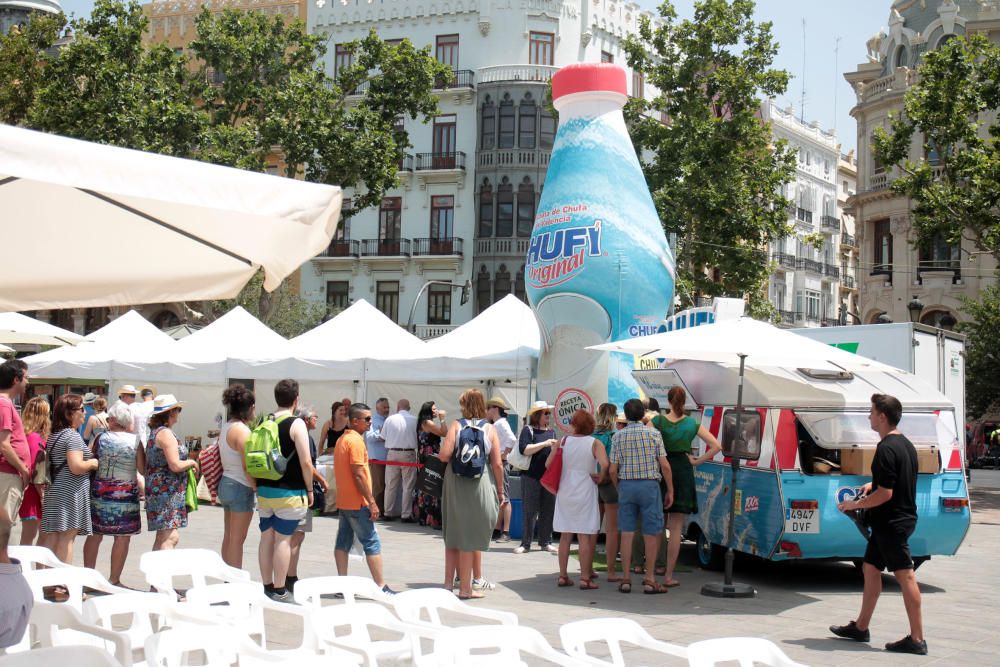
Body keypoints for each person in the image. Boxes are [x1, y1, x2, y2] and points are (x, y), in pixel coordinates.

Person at [832, 394, 927, 655]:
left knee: (906, 576)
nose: (869, 416)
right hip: (898, 519)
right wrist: (871, 486)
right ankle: (861, 627)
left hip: (892, 522)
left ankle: (917, 639)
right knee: (871, 568)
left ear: (882, 416)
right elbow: (891, 482)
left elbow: (887, 494)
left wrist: (854, 504)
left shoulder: (886, 449)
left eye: (872, 412)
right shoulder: (905, 444)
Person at [650, 386, 721, 588]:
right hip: (682, 470)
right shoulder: (692, 423)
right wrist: (697, 461)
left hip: (661, 468)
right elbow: (717, 446)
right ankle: (669, 575)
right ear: (684, 402)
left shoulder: (657, 422)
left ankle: (653, 571)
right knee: (675, 528)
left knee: (657, 524)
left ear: (669, 401)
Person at [440, 389, 504, 599]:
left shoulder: (456, 425)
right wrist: (500, 491)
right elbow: (497, 463)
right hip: (479, 480)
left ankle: (449, 584)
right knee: (469, 535)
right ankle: (466, 589)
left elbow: (444, 455)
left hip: (455, 481)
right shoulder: (490, 429)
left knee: (453, 533)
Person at [256, 379, 313, 603]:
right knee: (283, 540)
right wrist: (309, 489)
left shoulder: (263, 421)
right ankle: (280, 590)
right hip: (289, 492)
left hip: (265, 489)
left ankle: (266, 586)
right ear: (296, 399)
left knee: (266, 538)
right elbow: (306, 461)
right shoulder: (296, 424)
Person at [609, 398, 673, 594]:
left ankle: (626, 578)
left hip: (627, 485)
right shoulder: (654, 434)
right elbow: (664, 465)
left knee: (627, 532)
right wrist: (670, 489)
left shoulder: (618, 436)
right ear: (643, 414)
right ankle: (650, 578)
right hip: (649, 485)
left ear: (626, 416)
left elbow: (613, 469)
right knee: (652, 532)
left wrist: (619, 486)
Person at [333, 402, 395, 594]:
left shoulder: (343, 439)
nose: (370, 422)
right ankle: (381, 586)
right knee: (371, 542)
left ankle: (342, 585)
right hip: (357, 502)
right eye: (367, 419)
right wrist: (372, 502)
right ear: (355, 421)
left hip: (345, 500)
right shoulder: (356, 441)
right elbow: (358, 474)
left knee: (342, 542)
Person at [83, 401, 144, 586]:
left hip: (100, 493)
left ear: (114, 420)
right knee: (122, 538)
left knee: (94, 535)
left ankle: (88, 579)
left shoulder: (101, 438)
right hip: (127, 496)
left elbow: (90, 457)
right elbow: (142, 468)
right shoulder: (135, 440)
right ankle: (114, 579)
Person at [551, 409, 609, 589]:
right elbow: (605, 464)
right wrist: (600, 476)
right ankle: (585, 578)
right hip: (586, 489)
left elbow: (548, 464)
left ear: (574, 424)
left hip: (565, 489)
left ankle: (562, 575)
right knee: (584, 534)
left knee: (565, 535)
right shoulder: (595, 443)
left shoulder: (563, 441)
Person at [39, 394, 99, 563]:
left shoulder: (55, 435)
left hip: (56, 490)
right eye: (81, 409)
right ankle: (63, 583)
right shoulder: (71, 436)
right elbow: (76, 466)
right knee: (67, 536)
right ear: (69, 414)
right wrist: (93, 463)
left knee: (53, 535)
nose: (85, 413)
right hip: (69, 492)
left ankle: (49, 580)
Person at [145, 394, 197, 552]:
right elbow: (175, 464)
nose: (178, 414)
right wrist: (192, 462)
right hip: (166, 492)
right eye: (178, 410)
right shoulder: (165, 434)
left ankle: (155, 576)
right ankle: (163, 576)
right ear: (171, 412)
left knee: (162, 537)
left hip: (160, 491)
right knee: (170, 537)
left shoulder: (155, 432)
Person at [287, 405, 329, 592]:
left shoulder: (285, 432)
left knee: (285, 536)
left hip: (280, 491)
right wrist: (320, 482)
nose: (316, 419)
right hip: (300, 491)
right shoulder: (306, 437)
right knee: (298, 535)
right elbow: (308, 465)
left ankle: (285, 574)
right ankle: (290, 575)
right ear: (305, 419)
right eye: (314, 417)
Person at [217, 384, 256, 569]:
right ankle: (235, 582)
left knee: (229, 536)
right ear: (248, 408)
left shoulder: (227, 427)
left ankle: (227, 578)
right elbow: (247, 466)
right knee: (237, 540)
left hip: (227, 482)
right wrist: (256, 487)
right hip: (241, 485)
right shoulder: (242, 431)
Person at [513, 401, 559, 554]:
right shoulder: (528, 430)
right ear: (537, 415)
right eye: (545, 413)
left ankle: (545, 541)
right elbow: (525, 450)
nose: (548, 416)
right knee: (529, 511)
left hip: (548, 477)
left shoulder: (552, 432)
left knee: (548, 510)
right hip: (531, 476)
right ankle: (525, 544)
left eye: (548, 413)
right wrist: (545, 443)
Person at [0, 360, 31, 562]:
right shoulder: (4, 403)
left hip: (9, 474)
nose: (27, 382)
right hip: (7, 474)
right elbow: (3, 444)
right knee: (2, 527)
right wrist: (25, 470)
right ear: (16, 379)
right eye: (26, 377)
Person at [593, 403, 622, 582]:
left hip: (592, 482)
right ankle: (610, 571)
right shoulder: (615, 437)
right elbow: (613, 466)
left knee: (592, 527)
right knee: (612, 530)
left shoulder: (591, 436)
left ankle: (587, 568)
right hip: (610, 484)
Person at [17, 397, 49, 546]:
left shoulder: (25, 435)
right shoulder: (36, 438)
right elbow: (37, 470)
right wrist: (43, 497)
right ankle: (26, 568)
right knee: (32, 537)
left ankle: (30, 568)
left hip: (28, 489)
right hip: (34, 492)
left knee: (31, 536)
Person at [381, 399, 419, 522]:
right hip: (408, 453)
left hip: (392, 452)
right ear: (409, 408)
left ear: (398, 407)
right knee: (408, 486)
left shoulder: (390, 419)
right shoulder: (415, 420)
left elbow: (383, 437)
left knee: (390, 485)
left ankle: (388, 512)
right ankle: (406, 514)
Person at [486, 397, 517, 542]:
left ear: (495, 409)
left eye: (488, 408)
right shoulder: (498, 424)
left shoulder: (500, 424)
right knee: (501, 496)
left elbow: (512, 439)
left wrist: (504, 454)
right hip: (500, 462)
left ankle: (505, 532)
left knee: (504, 496)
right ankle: (498, 530)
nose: (486, 411)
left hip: (501, 463)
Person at [414, 401, 448, 529]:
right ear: (428, 410)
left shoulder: (423, 422)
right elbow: (444, 433)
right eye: (433, 409)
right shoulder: (428, 423)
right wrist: (443, 419)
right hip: (430, 458)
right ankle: (433, 519)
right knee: (432, 487)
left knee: (426, 486)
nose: (436, 411)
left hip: (425, 456)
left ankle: (425, 517)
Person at [365, 397, 390, 515]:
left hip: (388, 458)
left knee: (386, 486)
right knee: (378, 486)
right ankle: (375, 510)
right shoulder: (373, 421)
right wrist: (382, 434)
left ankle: (383, 509)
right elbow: (369, 437)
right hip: (377, 458)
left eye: (388, 407)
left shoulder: (388, 420)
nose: (387, 409)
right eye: (384, 407)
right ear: (377, 408)